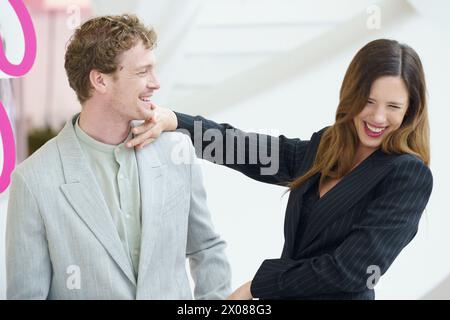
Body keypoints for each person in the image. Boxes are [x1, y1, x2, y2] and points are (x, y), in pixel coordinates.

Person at [127, 39, 433, 300]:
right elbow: (250, 150)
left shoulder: (407, 175)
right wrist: (177, 123)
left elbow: (350, 271)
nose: (378, 117)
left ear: (410, 110)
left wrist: (257, 286)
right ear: (351, 96)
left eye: (393, 106)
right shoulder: (328, 145)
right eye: (368, 101)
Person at [6, 14, 231, 300]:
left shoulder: (177, 152)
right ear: (100, 80)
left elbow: (207, 248)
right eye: (142, 72)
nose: (156, 83)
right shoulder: (33, 180)